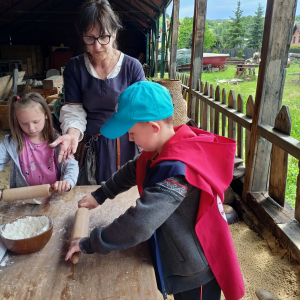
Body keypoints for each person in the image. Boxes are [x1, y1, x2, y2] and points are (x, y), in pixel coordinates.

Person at [65, 82, 245, 300]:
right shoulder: (165, 146)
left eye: (131, 133)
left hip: (194, 271)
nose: (129, 139)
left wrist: (90, 242)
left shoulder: (178, 172)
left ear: (154, 126)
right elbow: (134, 168)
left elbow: (139, 223)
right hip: (181, 254)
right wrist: (100, 194)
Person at [50, 0, 145, 184]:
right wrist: (71, 135)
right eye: (89, 38)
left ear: (115, 33)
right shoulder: (75, 67)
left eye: (103, 37)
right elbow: (74, 110)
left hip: (125, 143)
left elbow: (141, 111)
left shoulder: (132, 67)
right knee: (91, 194)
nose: (97, 45)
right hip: (90, 145)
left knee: (123, 193)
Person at [0, 93, 79, 195]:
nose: (31, 128)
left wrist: (68, 181)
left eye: (36, 122)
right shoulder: (11, 142)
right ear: (17, 120)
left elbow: (72, 165)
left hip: (54, 196)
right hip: (24, 199)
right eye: (24, 123)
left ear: (46, 115)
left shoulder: (58, 141)